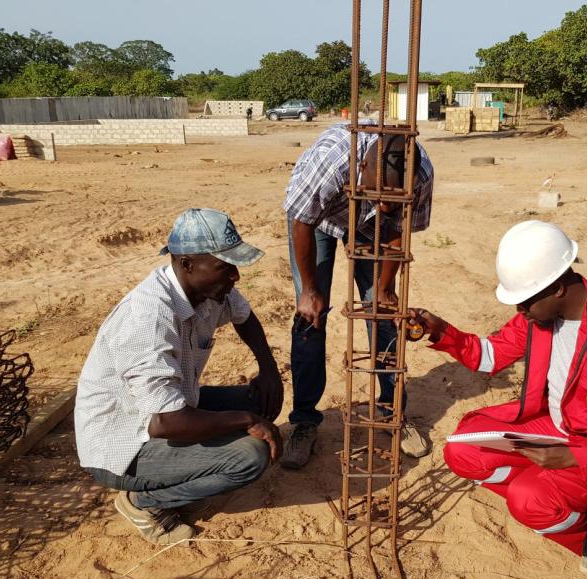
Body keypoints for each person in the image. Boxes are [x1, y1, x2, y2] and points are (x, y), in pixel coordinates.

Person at [410, 221, 587, 574]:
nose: (519, 310)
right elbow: (489, 356)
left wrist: (577, 456)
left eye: (524, 300)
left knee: (528, 499)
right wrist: (441, 330)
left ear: (557, 288)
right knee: (462, 449)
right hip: (558, 428)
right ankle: (554, 500)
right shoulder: (539, 318)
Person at [75, 208, 284, 545]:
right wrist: (246, 420)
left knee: (263, 399)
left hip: (169, 410)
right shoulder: (148, 317)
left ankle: (189, 471)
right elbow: (165, 424)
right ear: (187, 264)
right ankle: (144, 503)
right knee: (250, 456)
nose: (235, 277)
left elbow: (245, 317)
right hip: (124, 444)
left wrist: (269, 369)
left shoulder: (211, 290)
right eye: (225, 267)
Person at [280, 120, 435, 469]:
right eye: (378, 198)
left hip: (372, 232)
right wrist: (309, 290)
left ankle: (392, 412)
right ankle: (304, 421)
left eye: (391, 202)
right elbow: (301, 221)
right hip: (319, 220)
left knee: (382, 315)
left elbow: (398, 229)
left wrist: (383, 289)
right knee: (310, 317)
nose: (383, 206)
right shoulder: (332, 161)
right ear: (362, 168)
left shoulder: (420, 175)